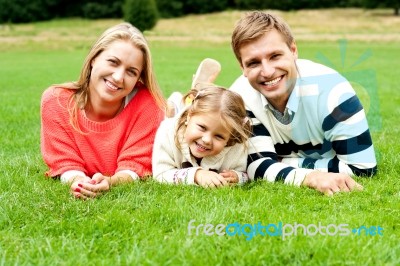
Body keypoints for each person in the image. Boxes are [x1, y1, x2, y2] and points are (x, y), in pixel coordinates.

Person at [229, 11, 377, 195]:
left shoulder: (333, 91)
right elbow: (256, 167)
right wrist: (311, 177)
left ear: (293, 51)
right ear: (242, 67)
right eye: (253, 63)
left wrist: (282, 163)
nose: (267, 72)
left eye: (275, 56)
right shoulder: (238, 98)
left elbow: (362, 169)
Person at [40, 22, 165, 199]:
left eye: (131, 72)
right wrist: (79, 180)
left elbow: (134, 165)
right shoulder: (56, 101)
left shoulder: (149, 105)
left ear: (138, 78)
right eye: (113, 62)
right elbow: (64, 161)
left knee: (188, 116)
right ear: (94, 59)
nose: (118, 77)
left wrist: (111, 181)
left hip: (169, 123)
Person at [152, 85, 252, 188]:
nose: (207, 140)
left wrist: (237, 177)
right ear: (189, 117)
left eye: (219, 136)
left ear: (230, 137)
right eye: (202, 127)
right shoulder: (167, 131)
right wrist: (197, 175)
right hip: (175, 117)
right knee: (170, 110)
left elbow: (246, 174)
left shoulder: (236, 143)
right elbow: (160, 175)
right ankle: (176, 102)